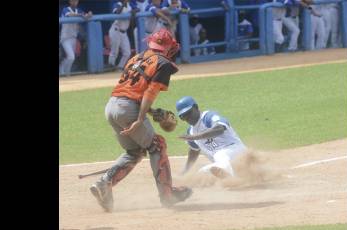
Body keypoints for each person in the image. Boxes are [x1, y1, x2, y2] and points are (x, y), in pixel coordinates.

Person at [90, 28, 192, 213]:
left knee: (135, 151)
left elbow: (129, 92)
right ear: (169, 48)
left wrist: (150, 112)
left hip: (112, 107)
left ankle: (104, 183)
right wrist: (140, 118)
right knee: (158, 145)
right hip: (129, 109)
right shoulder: (164, 63)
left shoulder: (137, 57)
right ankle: (168, 195)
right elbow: (149, 93)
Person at [176, 96, 248, 178]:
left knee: (220, 155)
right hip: (223, 163)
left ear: (195, 107)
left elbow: (220, 128)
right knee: (201, 174)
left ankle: (232, 178)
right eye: (183, 116)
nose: (187, 118)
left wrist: (196, 137)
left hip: (237, 152)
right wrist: (186, 170)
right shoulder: (191, 131)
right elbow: (194, 150)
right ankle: (234, 176)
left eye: (188, 113)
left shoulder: (208, 117)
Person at [59, 0, 92, 76]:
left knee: (71, 57)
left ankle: (66, 73)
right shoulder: (65, 9)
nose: (75, 2)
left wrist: (89, 14)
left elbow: (86, 15)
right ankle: (62, 70)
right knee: (71, 57)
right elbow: (69, 15)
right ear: (70, 2)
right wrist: (81, 15)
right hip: (65, 38)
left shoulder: (78, 10)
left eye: (76, 1)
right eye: (73, 1)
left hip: (73, 37)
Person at [108, 0, 136, 70]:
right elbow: (117, 12)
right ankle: (111, 67)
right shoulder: (117, 4)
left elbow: (137, 9)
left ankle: (119, 67)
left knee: (127, 52)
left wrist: (134, 11)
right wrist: (123, 4)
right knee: (114, 52)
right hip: (116, 30)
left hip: (124, 32)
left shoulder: (130, 5)